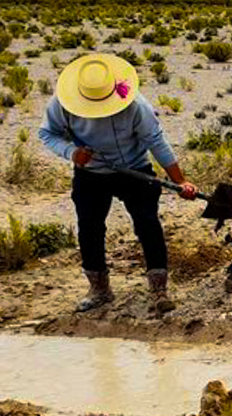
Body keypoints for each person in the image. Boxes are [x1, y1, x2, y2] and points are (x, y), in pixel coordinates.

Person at [39, 52, 197, 314]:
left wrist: (180, 181)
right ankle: (99, 289)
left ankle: (159, 290)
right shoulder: (62, 103)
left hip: (135, 170)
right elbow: (47, 133)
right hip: (91, 174)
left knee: (148, 223)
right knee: (89, 228)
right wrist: (72, 153)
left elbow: (156, 141)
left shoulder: (135, 105)